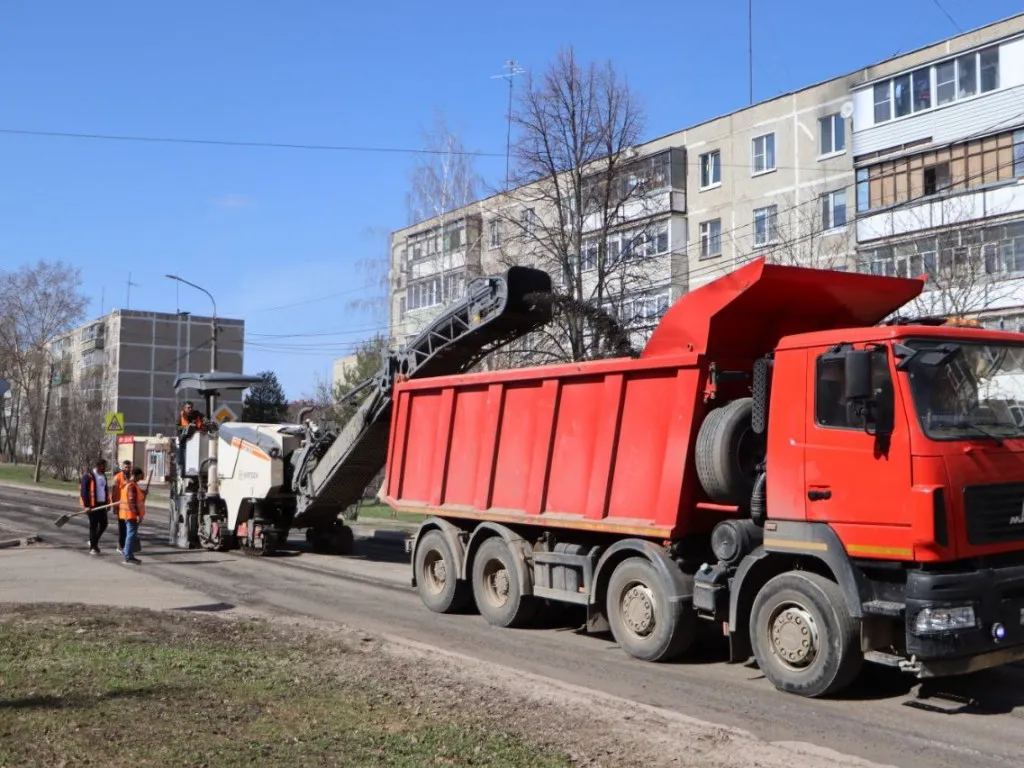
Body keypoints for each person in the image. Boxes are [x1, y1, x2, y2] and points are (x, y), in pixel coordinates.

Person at [79, 459, 109, 555]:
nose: (105, 468)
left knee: (104, 524)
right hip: (92, 505)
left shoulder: (103, 476)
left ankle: (93, 541)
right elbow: (83, 492)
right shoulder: (88, 476)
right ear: (98, 466)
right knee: (94, 526)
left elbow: (105, 490)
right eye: (104, 466)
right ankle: (93, 547)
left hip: (102, 504)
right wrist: (86, 506)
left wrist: (108, 503)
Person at [120, 467, 147, 566]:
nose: (141, 478)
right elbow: (132, 502)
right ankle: (128, 556)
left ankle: (129, 555)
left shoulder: (130, 484)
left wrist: (143, 493)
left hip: (130, 514)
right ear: (137, 475)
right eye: (141, 476)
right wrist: (137, 514)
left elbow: (136, 498)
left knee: (131, 535)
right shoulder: (131, 486)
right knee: (130, 535)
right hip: (131, 515)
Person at [110, 459, 135, 554]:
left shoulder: (131, 477)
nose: (127, 469)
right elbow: (113, 492)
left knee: (129, 527)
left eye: (129, 467)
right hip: (120, 506)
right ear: (122, 467)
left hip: (129, 506)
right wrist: (114, 505)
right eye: (126, 467)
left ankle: (126, 545)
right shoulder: (118, 477)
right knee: (122, 527)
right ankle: (121, 545)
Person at [176, 400, 205, 479]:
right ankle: (184, 473)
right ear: (184, 408)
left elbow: (204, 421)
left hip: (196, 440)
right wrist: (186, 427)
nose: (190, 409)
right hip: (185, 440)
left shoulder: (197, 415)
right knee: (183, 458)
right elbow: (177, 427)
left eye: (191, 407)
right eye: (188, 408)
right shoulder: (181, 416)